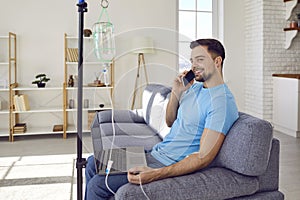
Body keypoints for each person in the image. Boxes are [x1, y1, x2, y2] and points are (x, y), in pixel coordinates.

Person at [85, 38, 239, 199]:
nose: (194, 66)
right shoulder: (195, 88)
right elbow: (170, 121)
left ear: (217, 61)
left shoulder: (221, 102)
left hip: (166, 164)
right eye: (192, 60)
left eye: (200, 60)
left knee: (97, 185)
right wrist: (176, 92)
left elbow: (203, 157)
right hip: (155, 153)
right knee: (92, 163)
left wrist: (156, 174)